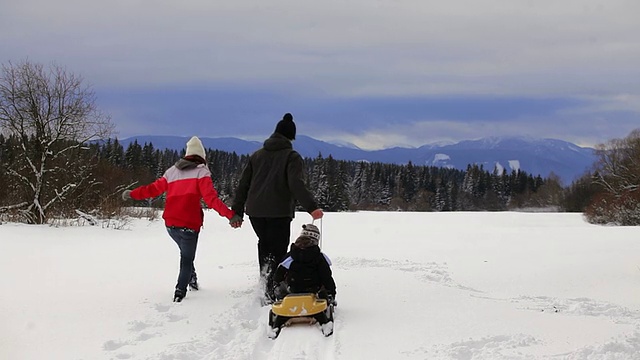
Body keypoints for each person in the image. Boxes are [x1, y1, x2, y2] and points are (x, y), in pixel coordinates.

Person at [122, 136, 243, 302]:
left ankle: (191, 279)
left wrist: (133, 194)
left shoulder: (172, 172)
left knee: (186, 254)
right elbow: (211, 200)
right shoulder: (202, 172)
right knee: (186, 258)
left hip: (170, 224)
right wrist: (231, 215)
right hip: (189, 225)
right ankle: (180, 291)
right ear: (202, 156)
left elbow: (153, 189)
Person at [232, 112, 323, 303]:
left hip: (255, 212)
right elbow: (295, 183)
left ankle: (265, 281)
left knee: (265, 245)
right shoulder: (292, 156)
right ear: (291, 136)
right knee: (279, 248)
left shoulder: (256, 155)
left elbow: (243, 184)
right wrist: (312, 207)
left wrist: (237, 211)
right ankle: (275, 287)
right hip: (279, 212)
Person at [272, 224, 337, 305]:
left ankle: (283, 300)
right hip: (314, 289)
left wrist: (276, 287)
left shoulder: (290, 256)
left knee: (282, 284)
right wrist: (331, 293)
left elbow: (279, 274)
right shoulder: (320, 257)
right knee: (323, 287)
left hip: (293, 288)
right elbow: (326, 276)